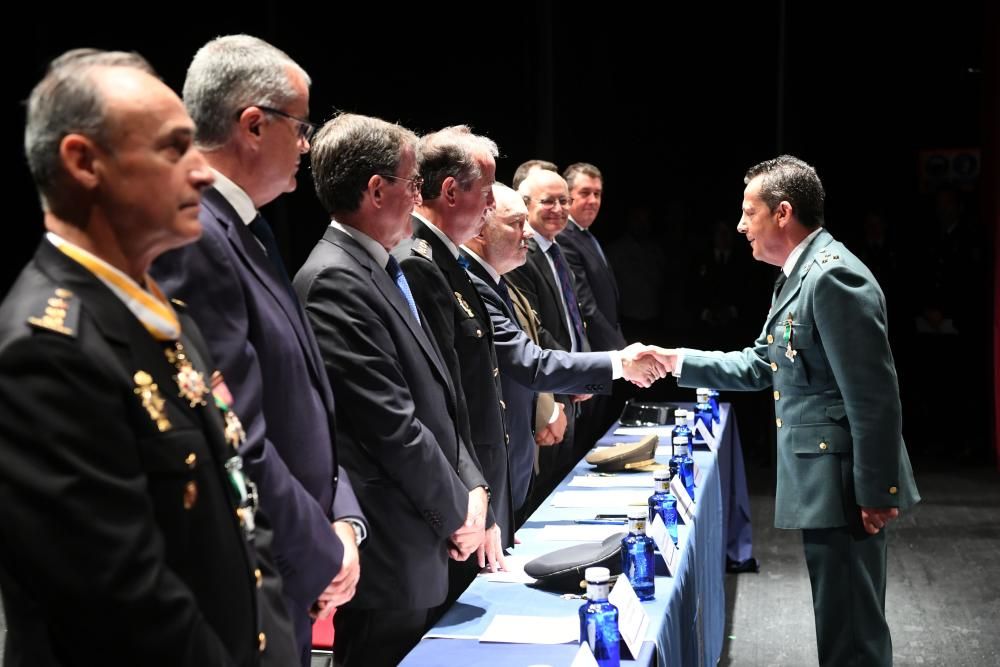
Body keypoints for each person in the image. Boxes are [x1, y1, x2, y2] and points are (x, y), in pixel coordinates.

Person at [0, 49, 296, 666]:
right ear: (83, 162)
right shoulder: (46, 349)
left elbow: (243, 510)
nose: (202, 173)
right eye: (173, 148)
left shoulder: (166, 317)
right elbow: (124, 606)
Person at [653, 155, 920, 666]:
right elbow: (761, 365)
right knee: (840, 624)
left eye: (747, 212)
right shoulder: (798, 274)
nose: (739, 225)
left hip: (845, 485)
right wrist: (675, 360)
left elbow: (874, 397)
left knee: (853, 635)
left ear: (782, 212)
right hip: (827, 480)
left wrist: (877, 488)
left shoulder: (833, 278)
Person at [150, 35, 366, 665]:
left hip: (293, 560)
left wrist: (345, 519)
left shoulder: (248, 227)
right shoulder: (195, 236)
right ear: (252, 125)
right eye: (301, 127)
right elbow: (232, 432)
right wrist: (323, 550)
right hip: (254, 577)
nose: (306, 145)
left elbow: (307, 403)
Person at [292, 113, 488, 667]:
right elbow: (391, 425)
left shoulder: (376, 267)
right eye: (413, 184)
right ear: (377, 190)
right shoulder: (334, 279)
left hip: (423, 529)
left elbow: (440, 399)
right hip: (393, 544)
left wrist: (472, 486)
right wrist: (459, 513)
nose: (419, 197)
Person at [463, 183, 666, 521]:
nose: (527, 231)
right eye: (515, 223)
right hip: (491, 465)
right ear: (479, 230)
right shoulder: (473, 283)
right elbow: (527, 359)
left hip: (514, 456)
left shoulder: (498, 278)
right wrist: (618, 362)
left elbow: (539, 334)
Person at [506, 169, 591, 489]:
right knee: (545, 489)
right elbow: (534, 331)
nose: (558, 208)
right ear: (525, 205)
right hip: (549, 390)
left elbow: (572, 319)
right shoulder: (520, 255)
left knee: (564, 479)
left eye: (563, 200)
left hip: (569, 382)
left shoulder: (556, 250)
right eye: (548, 201)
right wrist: (572, 376)